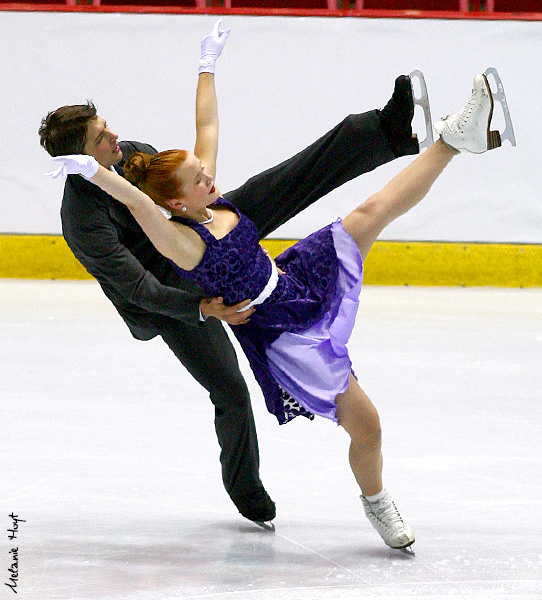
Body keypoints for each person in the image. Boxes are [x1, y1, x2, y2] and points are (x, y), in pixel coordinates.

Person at [39, 20, 420, 530]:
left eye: (106, 126)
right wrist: (201, 307)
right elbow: (137, 287)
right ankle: (247, 492)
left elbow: (189, 164)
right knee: (231, 390)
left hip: (195, 243)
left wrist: (206, 66)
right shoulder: (82, 221)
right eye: (100, 136)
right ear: (82, 157)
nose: (114, 134)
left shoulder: (127, 154)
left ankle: (383, 131)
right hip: (170, 298)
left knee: (283, 181)